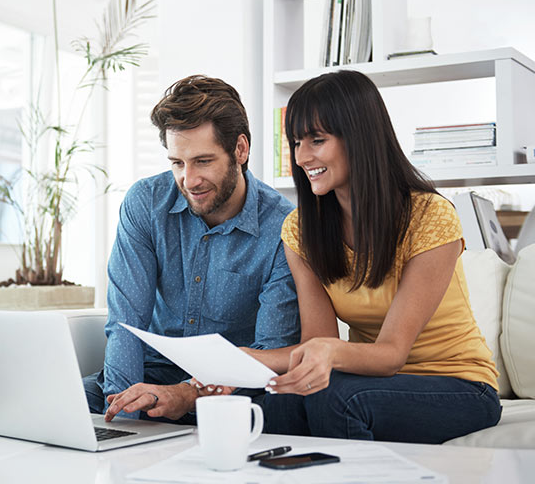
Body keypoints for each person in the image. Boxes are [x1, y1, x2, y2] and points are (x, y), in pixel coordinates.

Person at [228, 70, 501, 443]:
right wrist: (240, 361)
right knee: (273, 405)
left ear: (359, 138)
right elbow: (318, 344)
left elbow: (391, 355)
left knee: (337, 401)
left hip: (458, 385)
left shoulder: (430, 216)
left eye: (317, 140)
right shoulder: (301, 229)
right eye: (296, 142)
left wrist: (322, 354)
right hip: (368, 382)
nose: (302, 156)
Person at [83, 74, 300, 423]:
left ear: (240, 150)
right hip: (148, 377)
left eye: (203, 161)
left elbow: (268, 350)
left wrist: (187, 394)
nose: (189, 180)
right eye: (177, 163)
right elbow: (125, 323)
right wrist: (122, 414)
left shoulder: (283, 228)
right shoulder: (146, 203)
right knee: (62, 404)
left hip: (230, 390)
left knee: (280, 410)